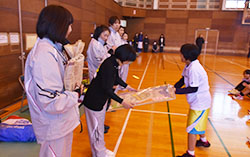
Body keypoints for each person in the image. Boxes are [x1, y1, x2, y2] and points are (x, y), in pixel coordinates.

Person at [24, 5, 83, 157]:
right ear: (58, 25)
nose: (70, 30)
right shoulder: (44, 53)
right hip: (53, 124)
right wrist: (75, 95)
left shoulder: (53, 48)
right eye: (69, 25)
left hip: (60, 122)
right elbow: (50, 100)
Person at [82, 44, 137, 157]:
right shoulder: (109, 65)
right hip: (94, 102)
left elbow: (116, 78)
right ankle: (99, 154)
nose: (129, 63)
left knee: (99, 128)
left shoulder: (113, 62)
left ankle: (100, 150)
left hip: (100, 101)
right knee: (96, 131)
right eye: (129, 61)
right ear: (125, 58)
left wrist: (127, 86)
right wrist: (122, 102)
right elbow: (108, 89)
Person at [175, 44, 211, 157]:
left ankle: (190, 154)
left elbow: (193, 88)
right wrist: (173, 87)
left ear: (186, 56)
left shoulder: (194, 69)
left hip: (200, 103)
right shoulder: (189, 65)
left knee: (191, 128)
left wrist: (176, 92)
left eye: (181, 53)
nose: (180, 55)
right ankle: (204, 141)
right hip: (199, 102)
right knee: (198, 123)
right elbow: (182, 79)